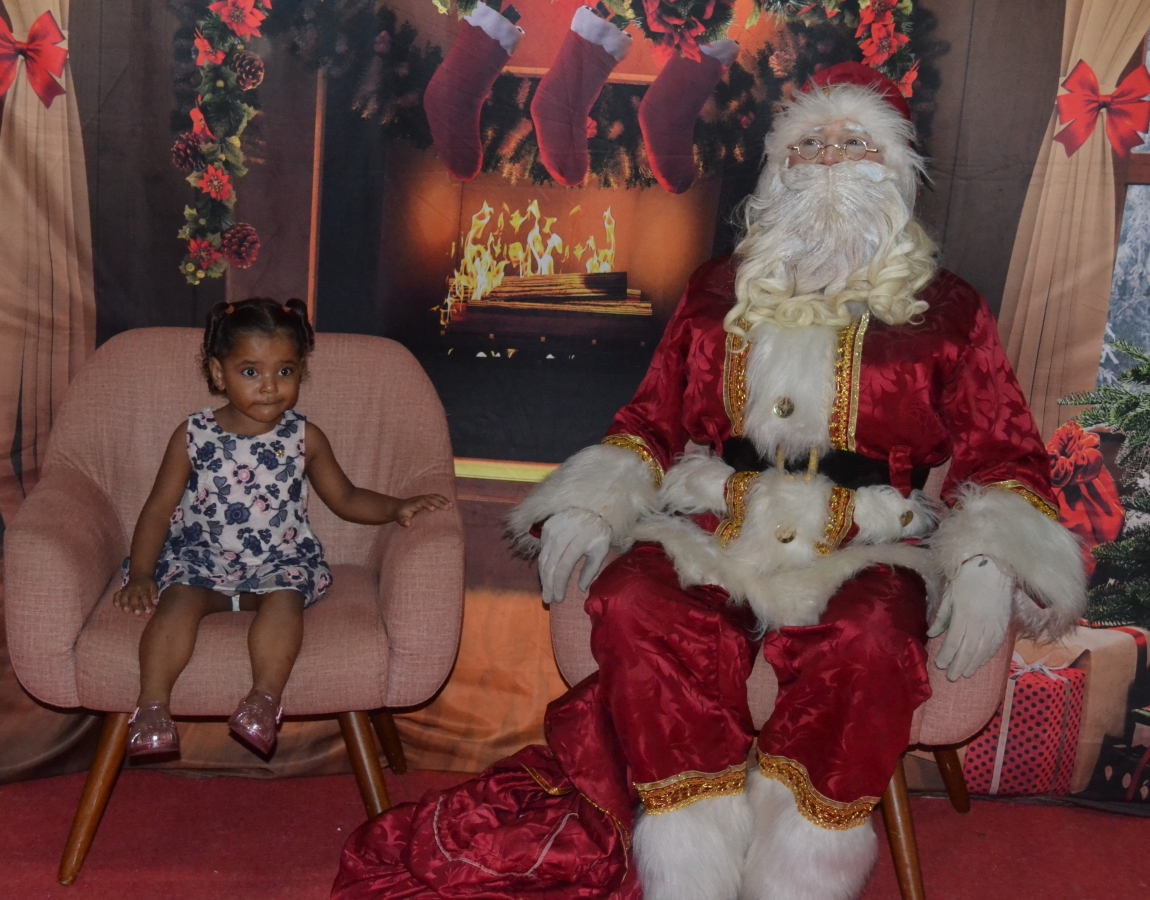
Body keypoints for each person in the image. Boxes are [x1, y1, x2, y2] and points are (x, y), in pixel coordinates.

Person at [332, 63, 1085, 900]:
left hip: (869, 540)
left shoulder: (949, 309)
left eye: (854, 142)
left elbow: (1006, 453)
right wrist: (591, 502)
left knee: (870, 639)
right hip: (718, 524)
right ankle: (691, 862)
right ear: (780, 165)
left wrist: (988, 562)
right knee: (632, 599)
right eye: (810, 143)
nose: (829, 160)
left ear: (895, 166)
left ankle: (798, 873)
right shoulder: (716, 289)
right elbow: (651, 419)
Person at [116, 297, 451, 759]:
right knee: (176, 604)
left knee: (285, 601)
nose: (270, 387)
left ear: (300, 372)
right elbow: (158, 509)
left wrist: (397, 508)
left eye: (285, 371)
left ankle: (262, 701)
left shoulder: (303, 437)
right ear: (218, 373)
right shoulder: (193, 435)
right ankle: (152, 707)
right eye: (251, 371)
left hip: (278, 560)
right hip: (201, 560)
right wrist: (141, 574)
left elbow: (346, 498)